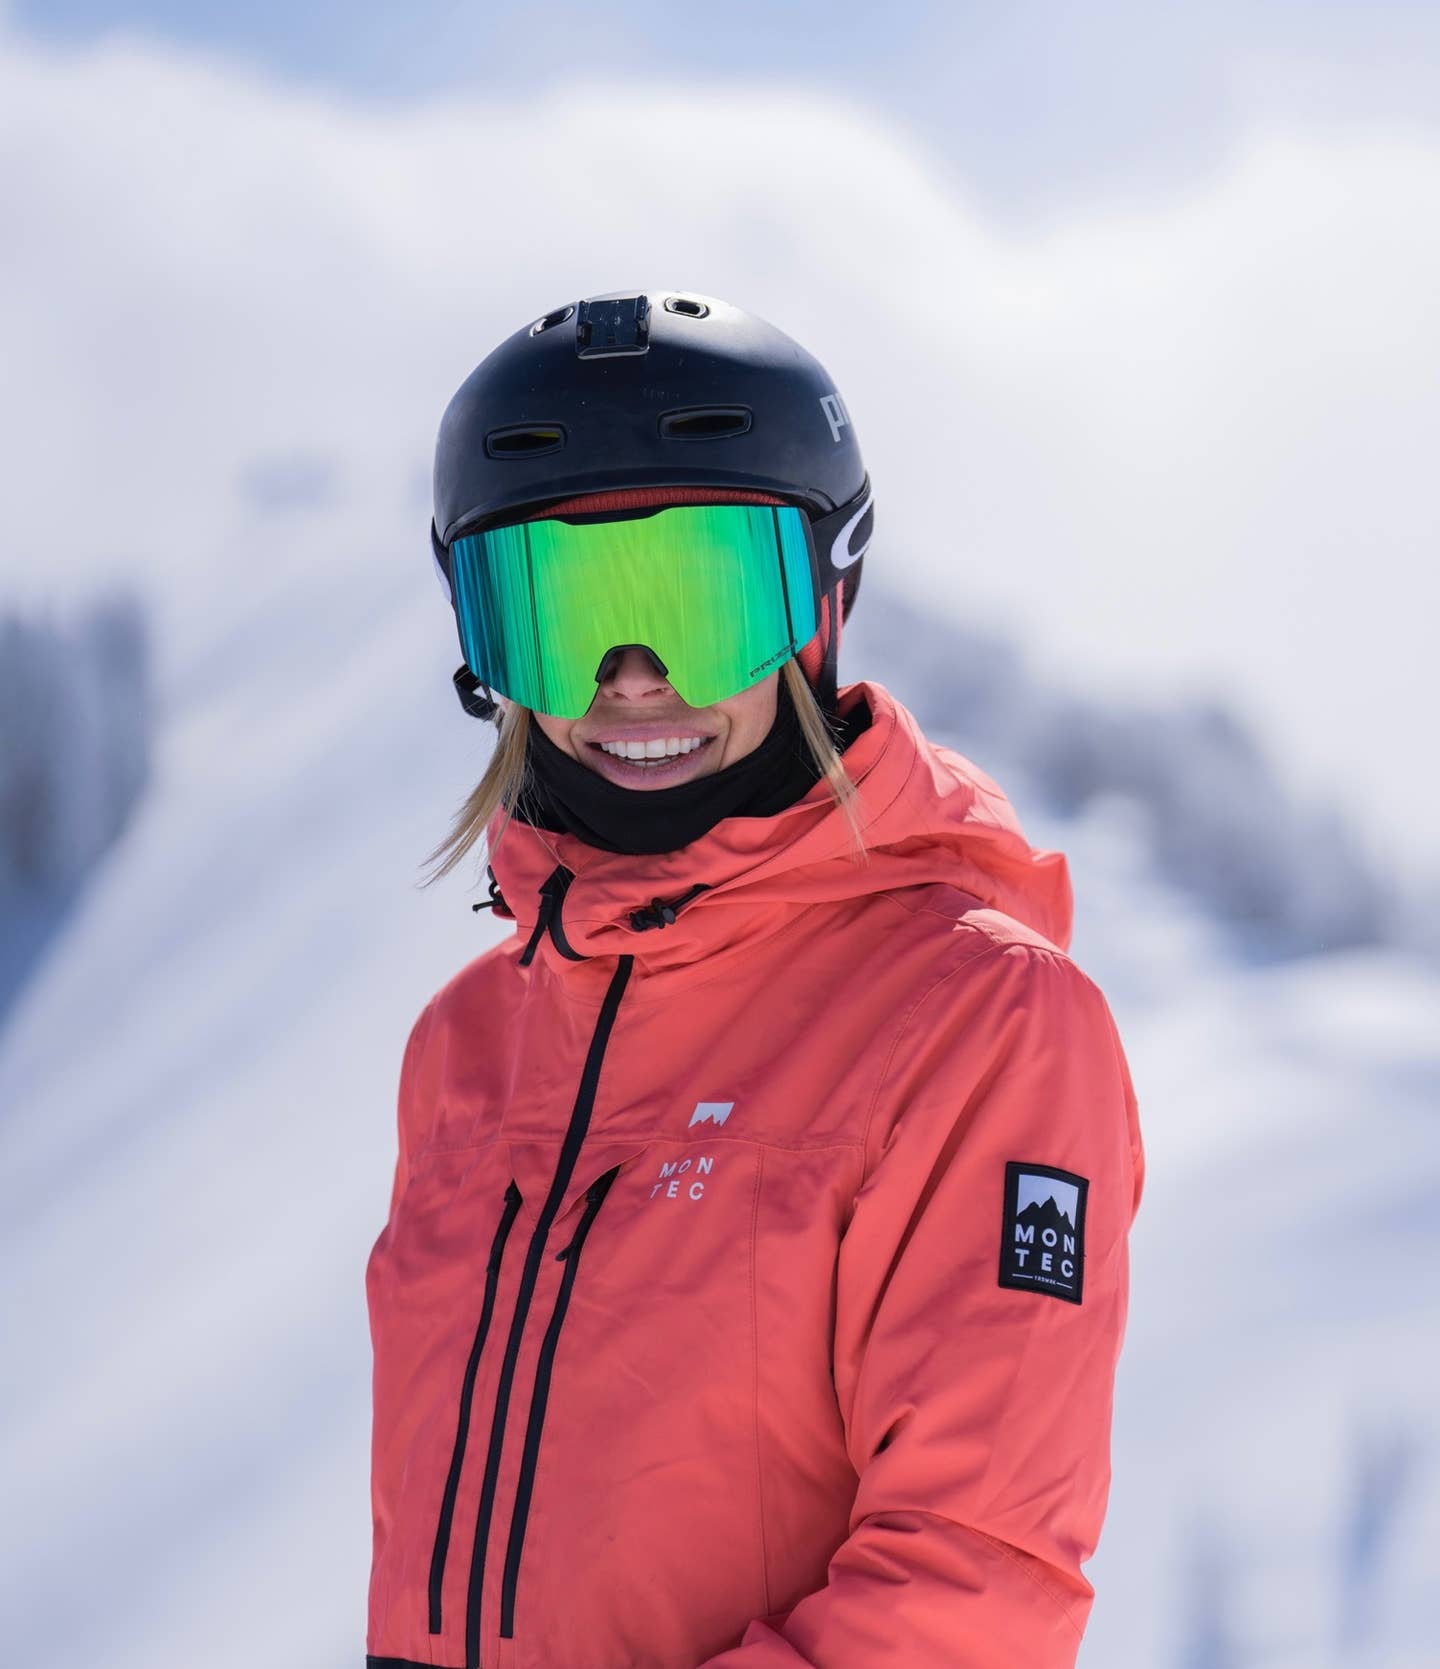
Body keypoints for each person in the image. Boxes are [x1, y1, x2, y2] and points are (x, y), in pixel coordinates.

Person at [364, 290, 1146, 1669]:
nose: (632, 678)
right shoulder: (468, 1045)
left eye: (700, 599)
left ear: (821, 605)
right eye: (560, 611)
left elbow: (973, 1591)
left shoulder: (981, 1022)